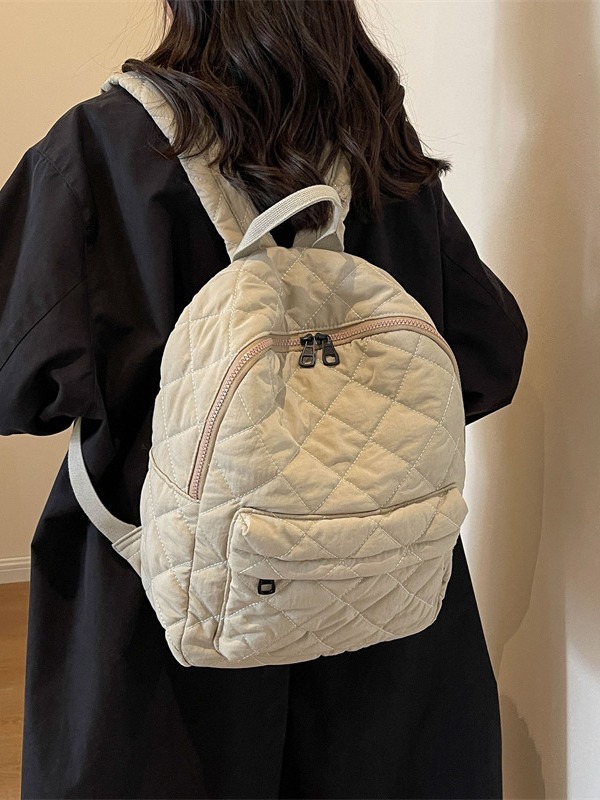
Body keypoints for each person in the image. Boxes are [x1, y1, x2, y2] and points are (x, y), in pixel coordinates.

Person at [0, 1, 527, 798]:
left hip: (161, 625)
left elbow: (17, 385)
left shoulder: (102, 148)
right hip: (378, 609)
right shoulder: (381, 150)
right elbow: (487, 357)